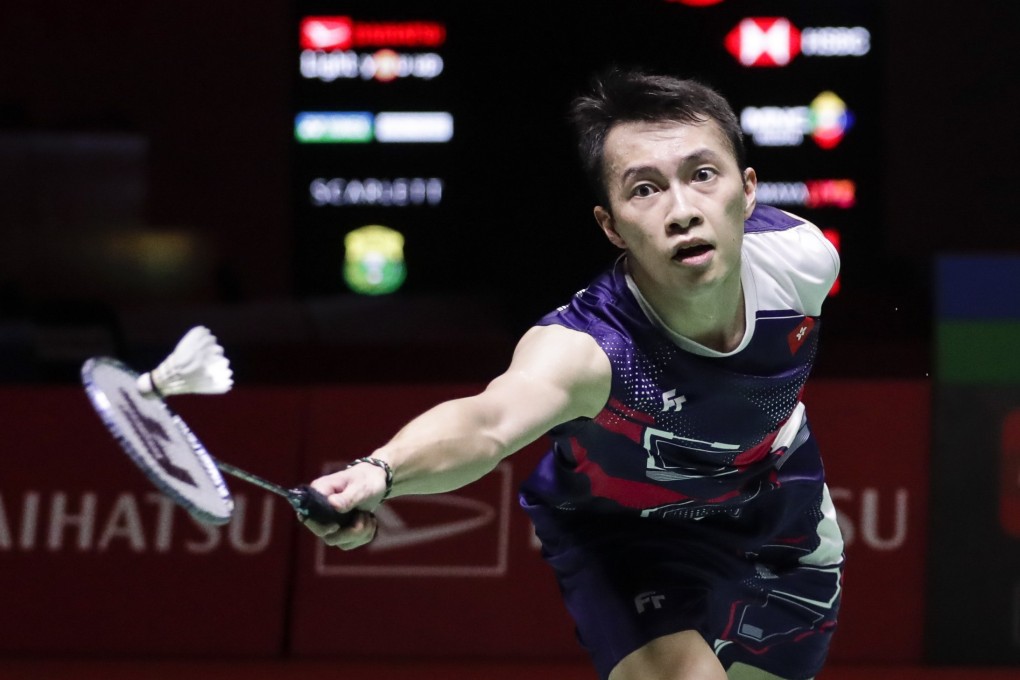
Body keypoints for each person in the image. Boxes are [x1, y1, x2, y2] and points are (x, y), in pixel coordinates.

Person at [302, 68, 844, 680]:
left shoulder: (803, 261)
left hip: (778, 513)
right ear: (610, 225)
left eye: (701, 175)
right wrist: (382, 470)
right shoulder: (592, 348)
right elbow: (488, 422)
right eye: (645, 189)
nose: (682, 211)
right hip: (630, 537)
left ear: (747, 191)